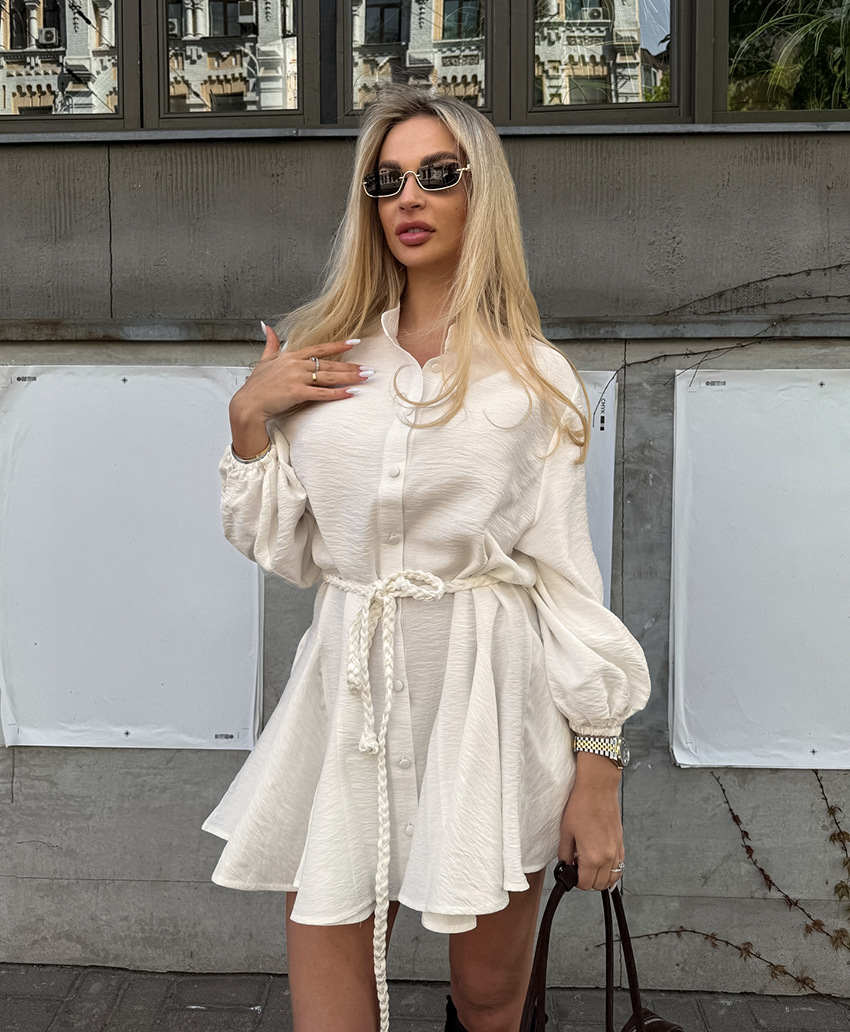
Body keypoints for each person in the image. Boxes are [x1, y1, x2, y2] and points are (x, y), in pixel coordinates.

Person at [202, 84, 650, 1032]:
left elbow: (567, 582)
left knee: (488, 1000)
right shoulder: (325, 362)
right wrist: (250, 418)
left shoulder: (536, 379)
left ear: (481, 193)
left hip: (490, 701)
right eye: (388, 179)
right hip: (348, 699)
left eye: (438, 175)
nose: (408, 196)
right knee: (328, 986)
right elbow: (286, 546)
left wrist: (599, 769)